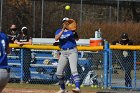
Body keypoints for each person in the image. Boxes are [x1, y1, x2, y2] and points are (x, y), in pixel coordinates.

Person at [55, 17, 81, 93]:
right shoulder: (59, 31)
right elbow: (56, 38)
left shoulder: (71, 31)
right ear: (62, 24)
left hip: (72, 51)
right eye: (65, 22)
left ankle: (78, 88)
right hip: (63, 52)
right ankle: (62, 89)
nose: (66, 24)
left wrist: (74, 31)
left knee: (74, 70)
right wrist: (63, 29)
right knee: (59, 72)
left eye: (68, 23)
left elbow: (77, 39)